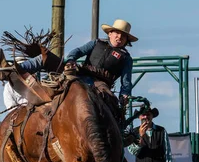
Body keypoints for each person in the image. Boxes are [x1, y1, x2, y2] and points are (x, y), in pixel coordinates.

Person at [8, 19, 136, 103]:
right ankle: (16, 70)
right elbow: (76, 51)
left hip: (100, 84)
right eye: (117, 33)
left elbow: (126, 82)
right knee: (45, 57)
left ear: (126, 40)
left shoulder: (126, 58)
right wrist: (70, 61)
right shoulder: (97, 43)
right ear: (110, 33)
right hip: (78, 72)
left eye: (123, 35)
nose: (119, 37)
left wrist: (124, 96)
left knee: (107, 104)